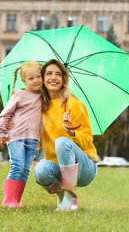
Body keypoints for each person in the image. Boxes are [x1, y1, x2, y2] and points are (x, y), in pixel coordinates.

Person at [33, 59, 98, 211]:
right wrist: (17, 125)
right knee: (40, 170)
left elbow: (88, 140)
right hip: (57, 168)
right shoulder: (39, 108)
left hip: (84, 168)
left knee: (62, 142)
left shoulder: (74, 104)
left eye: (58, 74)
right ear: (43, 79)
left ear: (63, 80)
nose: (53, 77)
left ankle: (70, 198)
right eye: (49, 73)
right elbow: (36, 144)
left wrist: (71, 132)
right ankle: (63, 198)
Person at [0, 60, 42, 208]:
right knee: (17, 166)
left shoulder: (43, 97)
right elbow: (4, 115)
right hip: (16, 137)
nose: (36, 80)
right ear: (24, 80)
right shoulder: (19, 95)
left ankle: (15, 200)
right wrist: (0, 133)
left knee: (25, 170)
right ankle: (7, 200)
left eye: (38, 77)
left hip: (33, 139)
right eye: (31, 78)